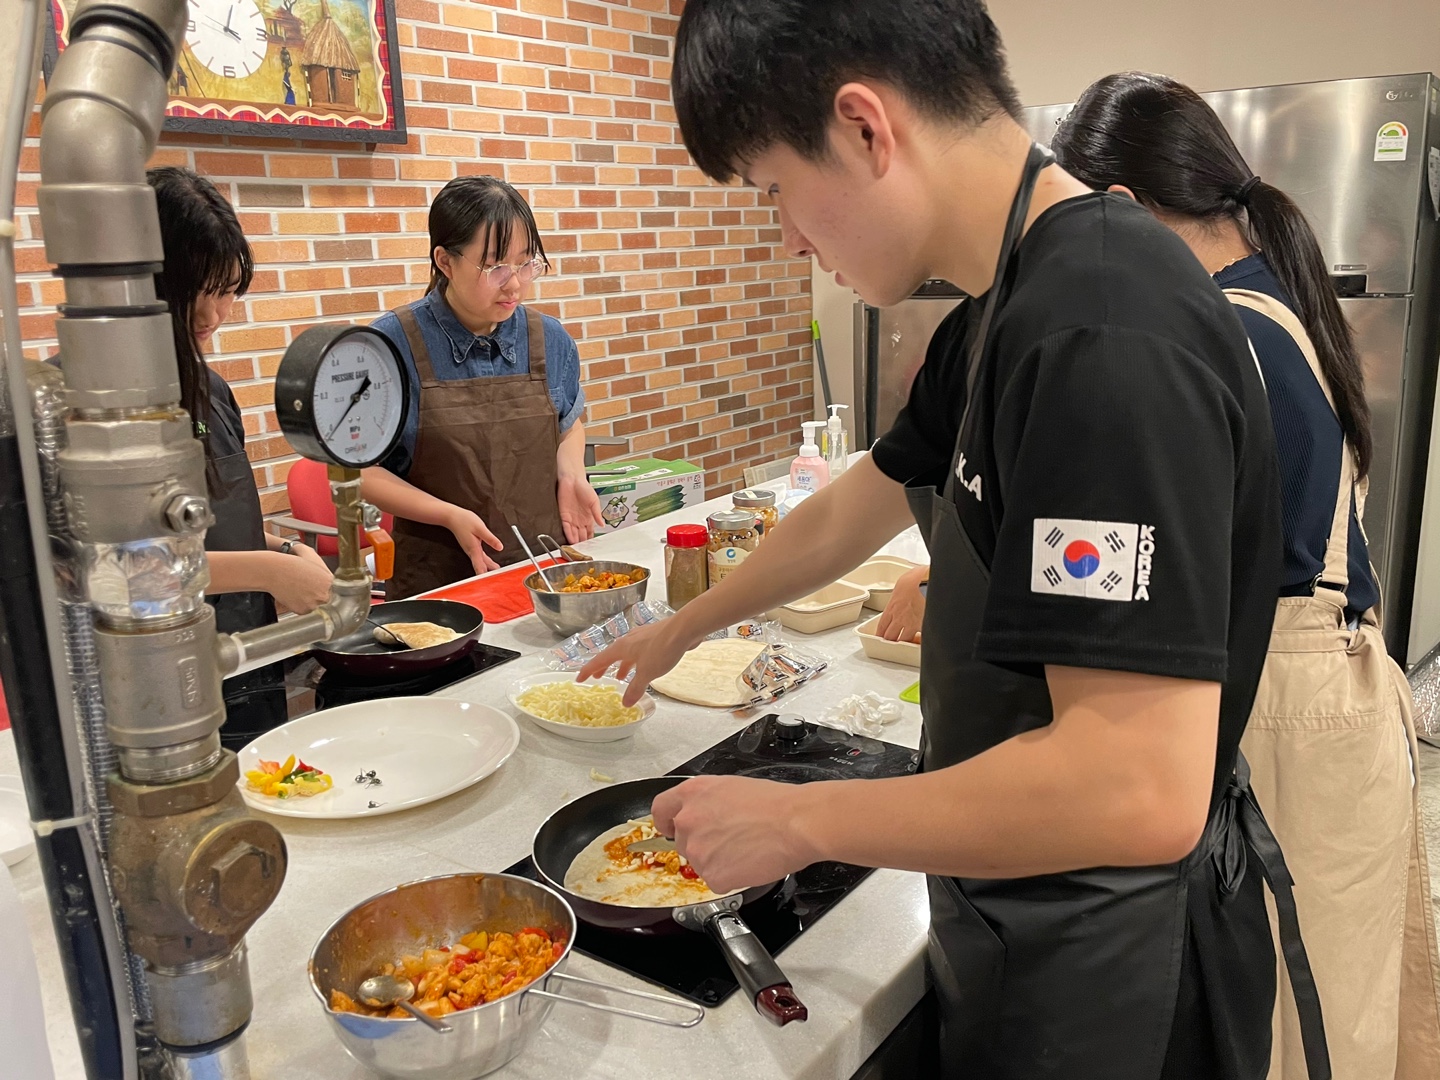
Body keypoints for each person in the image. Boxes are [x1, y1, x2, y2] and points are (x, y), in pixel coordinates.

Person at [578, 2, 1327, 1077]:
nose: (789, 238)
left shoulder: (1102, 329)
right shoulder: (1001, 307)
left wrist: (802, 822)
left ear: (864, 128)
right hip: (1023, 917)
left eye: (775, 189)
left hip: (1112, 969)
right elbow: (862, 499)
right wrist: (684, 625)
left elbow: (1135, 787)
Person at [1051, 72, 1440, 1079]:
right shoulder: (1268, 298)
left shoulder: (1219, 335)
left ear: (1122, 210)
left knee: (1295, 1028)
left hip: (1293, 719)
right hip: (1336, 699)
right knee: (1331, 1013)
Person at [148, 167, 334, 748]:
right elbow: (113, 567)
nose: (212, 316)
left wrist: (282, 551)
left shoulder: (211, 389)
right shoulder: (80, 407)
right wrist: (268, 571)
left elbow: (218, 522)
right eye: (192, 292)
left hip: (248, 657)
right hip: (157, 678)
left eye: (226, 291)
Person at [364, 176, 601, 599]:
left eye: (526, 263)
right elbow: (358, 472)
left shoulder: (549, 339)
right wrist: (447, 514)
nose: (515, 284)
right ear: (445, 261)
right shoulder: (390, 346)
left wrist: (571, 473)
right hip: (439, 584)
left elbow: (568, 423)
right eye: (495, 267)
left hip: (544, 575)